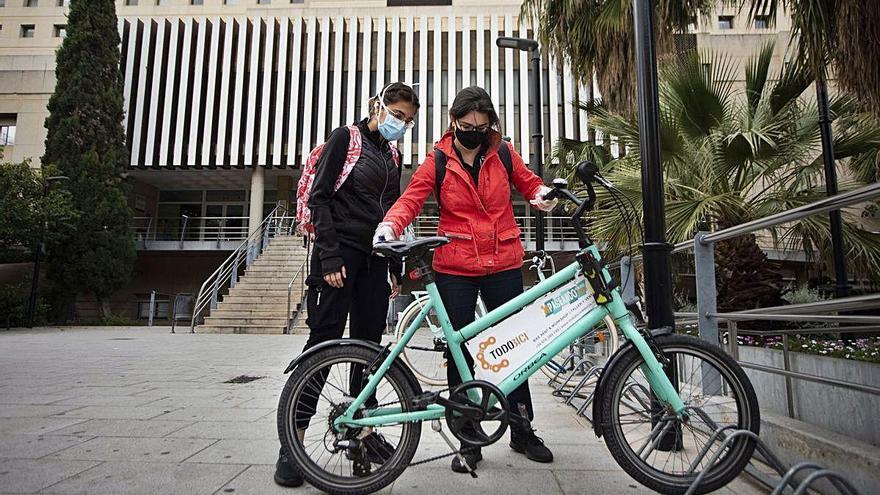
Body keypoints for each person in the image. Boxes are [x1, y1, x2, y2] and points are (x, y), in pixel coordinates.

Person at [374, 86, 557, 474]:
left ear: (490, 123)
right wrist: (391, 224)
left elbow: (528, 182)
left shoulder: (503, 152)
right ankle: (468, 438)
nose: (474, 130)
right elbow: (412, 197)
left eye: (481, 124)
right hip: (455, 266)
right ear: (454, 121)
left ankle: (522, 429)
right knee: (460, 353)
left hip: (504, 264)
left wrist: (542, 193)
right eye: (466, 124)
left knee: (516, 349)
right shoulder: (438, 160)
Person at [275, 82, 420, 488]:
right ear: (378, 106)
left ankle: (364, 432)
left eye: (408, 121)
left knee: (369, 350)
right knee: (322, 343)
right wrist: (331, 255)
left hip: (374, 258)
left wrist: (395, 265)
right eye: (397, 115)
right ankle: (292, 443)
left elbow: (392, 212)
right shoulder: (346, 138)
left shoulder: (391, 155)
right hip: (338, 255)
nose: (401, 124)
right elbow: (319, 198)